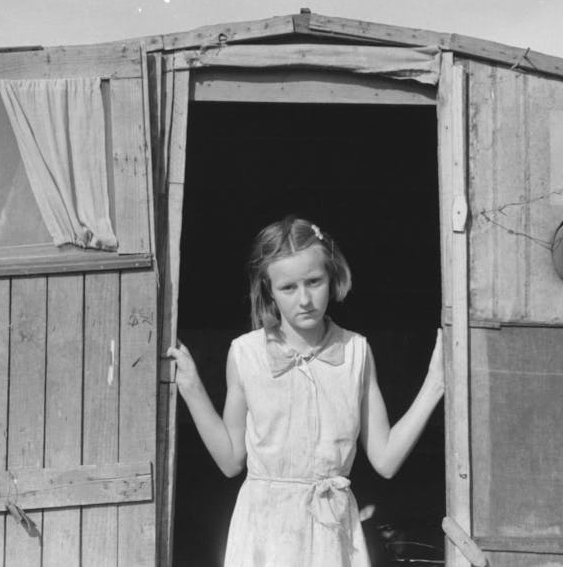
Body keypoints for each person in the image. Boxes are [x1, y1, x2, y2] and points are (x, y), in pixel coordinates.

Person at [167, 216, 444, 567]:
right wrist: (191, 388)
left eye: (314, 282)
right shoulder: (245, 353)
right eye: (288, 288)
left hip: (332, 530)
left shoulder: (357, 352)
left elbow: (386, 459)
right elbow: (230, 460)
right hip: (265, 530)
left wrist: (435, 384)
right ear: (269, 289)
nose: (305, 300)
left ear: (332, 276)